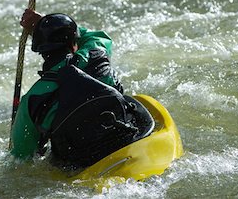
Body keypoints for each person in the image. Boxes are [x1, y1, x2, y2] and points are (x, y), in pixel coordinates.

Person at [10, 9, 154, 170]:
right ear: (74, 43)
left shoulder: (32, 98)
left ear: (41, 52)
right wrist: (42, 21)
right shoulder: (95, 53)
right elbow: (97, 36)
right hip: (127, 138)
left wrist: (42, 32)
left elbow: (21, 157)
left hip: (80, 163)